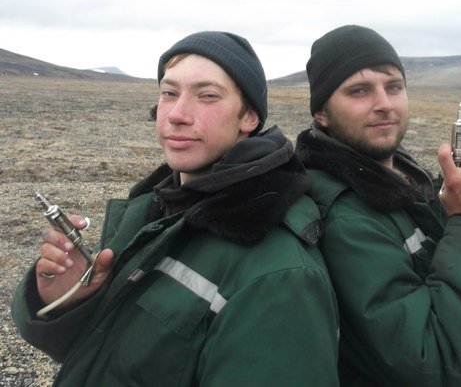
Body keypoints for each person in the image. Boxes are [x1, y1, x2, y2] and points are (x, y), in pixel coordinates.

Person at [12, 31, 340, 386]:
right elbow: (100, 354)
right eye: (169, 93)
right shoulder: (151, 212)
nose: (177, 114)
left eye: (207, 95)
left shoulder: (281, 277)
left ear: (248, 117)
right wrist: (66, 303)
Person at [295, 25, 461, 386]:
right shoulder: (342, 217)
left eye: (394, 86)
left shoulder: (401, 178)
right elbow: (435, 362)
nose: (384, 103)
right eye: (359, 90)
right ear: (322, 113)